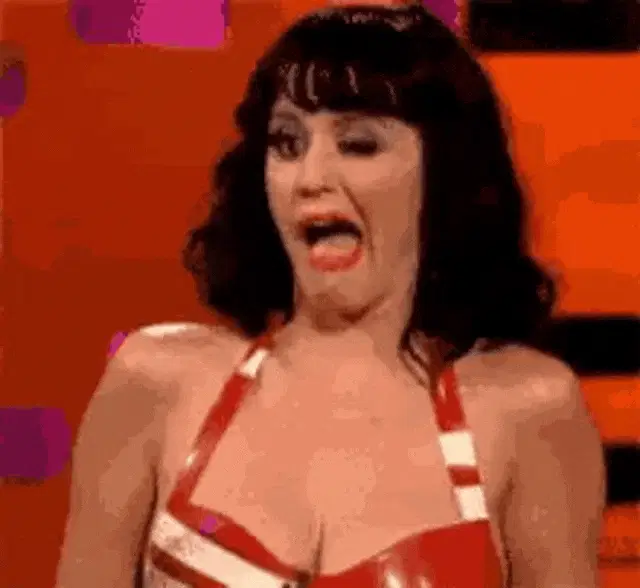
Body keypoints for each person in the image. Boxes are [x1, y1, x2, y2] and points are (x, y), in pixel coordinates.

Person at [56, 4, 605, 588]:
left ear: (444, 173)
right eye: (286, 142)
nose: (309, 178)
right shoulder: (156, 382)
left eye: (358, 144)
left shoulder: (527, 410)